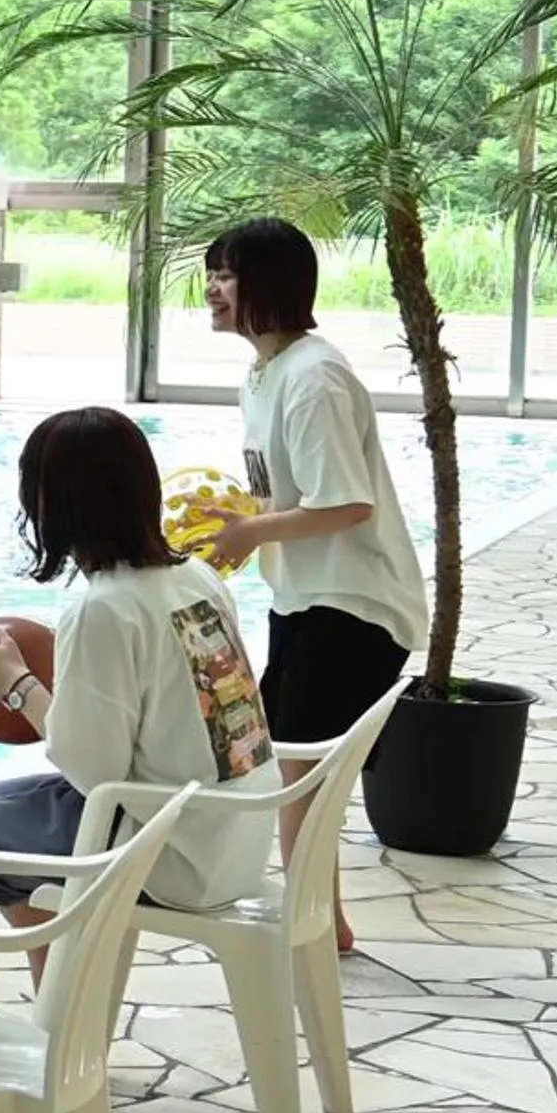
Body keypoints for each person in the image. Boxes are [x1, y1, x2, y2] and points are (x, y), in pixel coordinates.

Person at [0, 407, 280, 1005]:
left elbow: (92, 769)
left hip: (168, 854)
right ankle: (63, 1011)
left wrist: (14, 683)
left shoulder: (103, 609)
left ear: (50, 503)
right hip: (231, 833)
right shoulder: (197, 578)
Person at [193, 218, 426, 953]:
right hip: (304, 598)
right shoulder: (266, 372)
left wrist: (251, 532)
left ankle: (314, 926)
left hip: (351, 604)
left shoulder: (313, 377)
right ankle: (323, 922)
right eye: (212, 273)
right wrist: (241, 519)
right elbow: (293, 494)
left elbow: (346, 504)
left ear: (270, 286)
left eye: (227, 275)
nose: (212, 289)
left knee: (300, 774)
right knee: (292, 769)